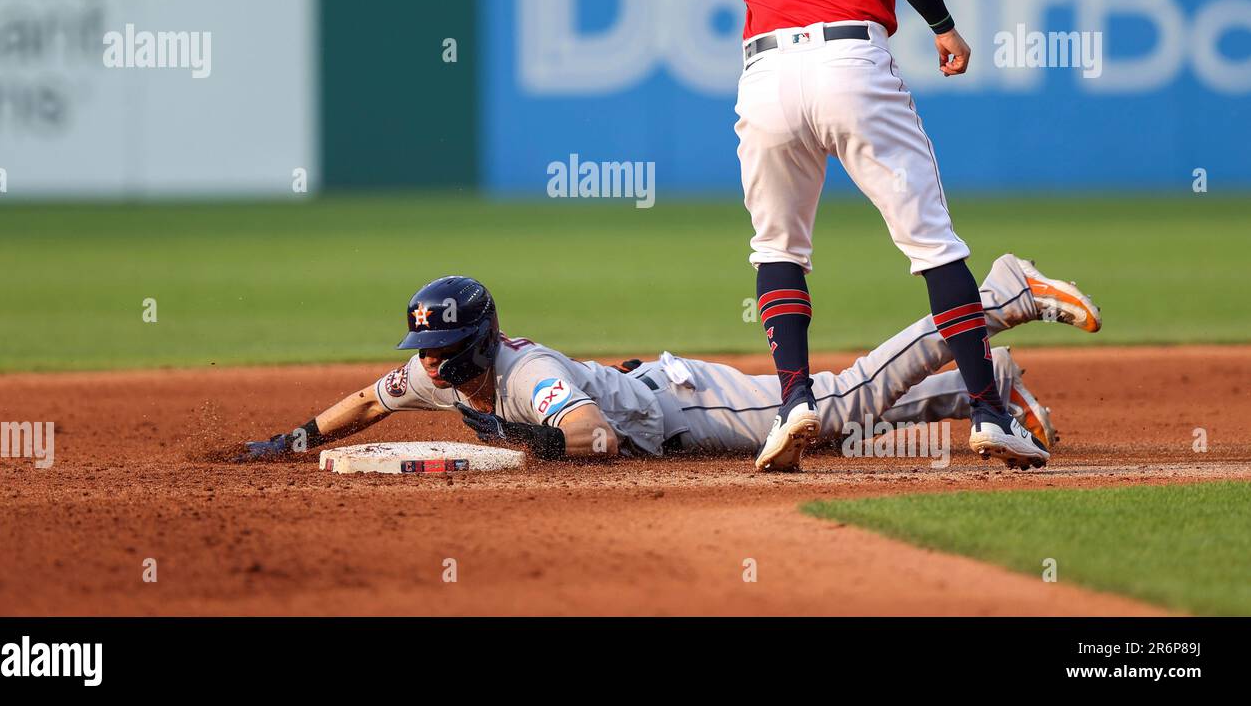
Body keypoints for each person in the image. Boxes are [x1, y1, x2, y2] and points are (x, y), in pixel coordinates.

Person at [725, 0, 1053, 472]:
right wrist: (943, 26)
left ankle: (793, 405)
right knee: (933, 245)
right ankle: (989, 415)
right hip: (850, 60)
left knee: (777, 248)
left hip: (764, 76)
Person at [238, 255, 1101, 470]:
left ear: (472, 344)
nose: (427, 365)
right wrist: (297, 437)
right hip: (669, 402)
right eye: (422, 351)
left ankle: (998, 294)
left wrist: (520, 445)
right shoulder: (434, 377)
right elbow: (366, 399)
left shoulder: (527, 377)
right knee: (842, 428)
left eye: (437, 349)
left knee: (835, 404)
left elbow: (590, 438)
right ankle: (989, 386)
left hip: (680, 408)